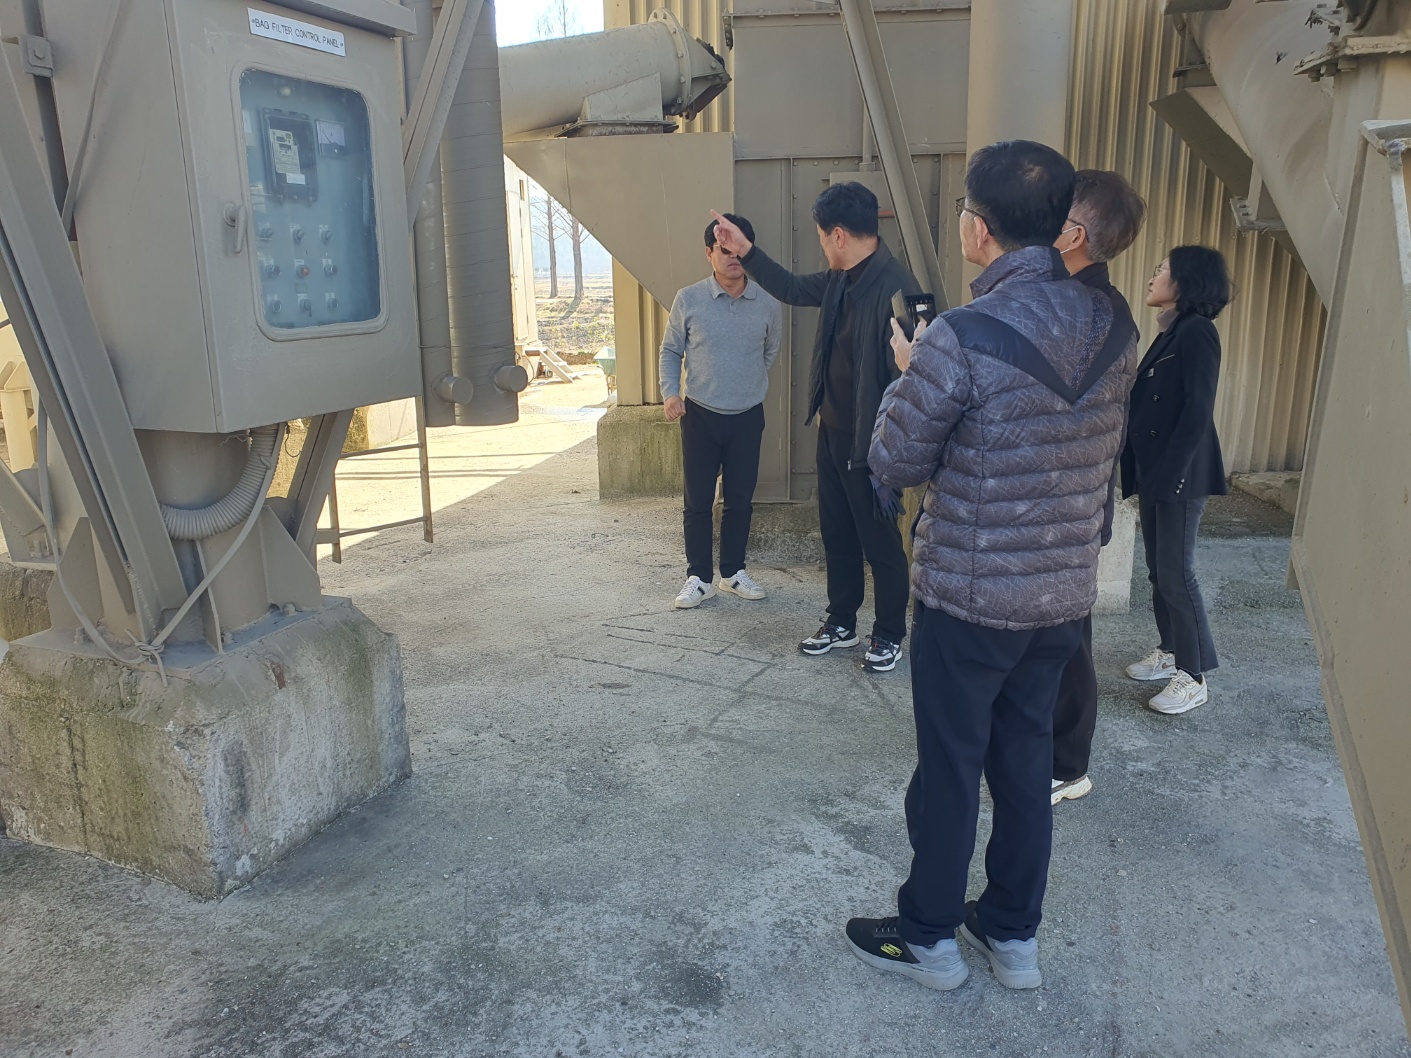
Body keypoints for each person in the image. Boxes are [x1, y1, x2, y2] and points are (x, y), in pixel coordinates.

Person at [844, 141, 1139, 993]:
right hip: (1059, 598)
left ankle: (928, 938)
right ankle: (1012, 937)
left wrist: (908, 372)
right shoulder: (1116, 326)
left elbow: (895, 460)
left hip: (969, 601)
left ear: (978, 228)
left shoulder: (961, 335)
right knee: (1023, 766)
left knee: (948, 769)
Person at [709, 184, 918, 673]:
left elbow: (915, 379)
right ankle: (841, 621)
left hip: (874, 444)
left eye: (822, 236)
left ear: (838, 235)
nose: (822, 245)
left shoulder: (896, 288)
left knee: (880, 543)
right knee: (837, 534)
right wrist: (746, 250)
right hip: (833, 431)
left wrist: (893, 449)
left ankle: (890, 632)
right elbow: (789, 287)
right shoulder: (840, 278)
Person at [1049, 170, 1147, 805]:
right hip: (1064, 500)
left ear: (1073, 234)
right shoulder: (1083, 303)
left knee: (1066, 638)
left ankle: (1067, 763)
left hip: (1068, 502)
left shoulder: (1089, 312)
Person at [1119, 246, 1230, 714]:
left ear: (1185, 281)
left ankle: (1194, 674)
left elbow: (1197, 410)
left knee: (1177, 573)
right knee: (1158, 570)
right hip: (1157, 471)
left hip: (1179, 474)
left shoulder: (1197, 331)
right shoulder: (1173, 330)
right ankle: (1170, 649)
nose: (1152, 277)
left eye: (1161, 270)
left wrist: (1172, 475)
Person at [659, 213, 782, 609]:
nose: (733, 258)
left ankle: (732, 573)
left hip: (747, 415)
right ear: (709, 253)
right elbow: (671, 350)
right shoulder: (689, 299)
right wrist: (670, 393)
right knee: (697, 501)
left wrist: (743, 384)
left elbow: (768, 353)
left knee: (740, 500)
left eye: (739, 250)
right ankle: (699, 578)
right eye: (724, 251)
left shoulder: (767, 304)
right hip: (700, 414)